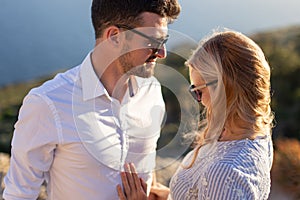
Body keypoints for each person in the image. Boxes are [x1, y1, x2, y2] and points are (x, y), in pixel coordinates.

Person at [3, 0, 181, 199]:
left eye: (163, 41)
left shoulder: (153, 92)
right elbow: (19, 194)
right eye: (153, 42)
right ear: (114, 37)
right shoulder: (48, 103)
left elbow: (147, 170)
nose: (163, 54)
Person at [117, 29, 274, 200]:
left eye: (198, 91)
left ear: (224, 87)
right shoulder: (257, 135)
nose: (198, 100)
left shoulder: (225, 173)